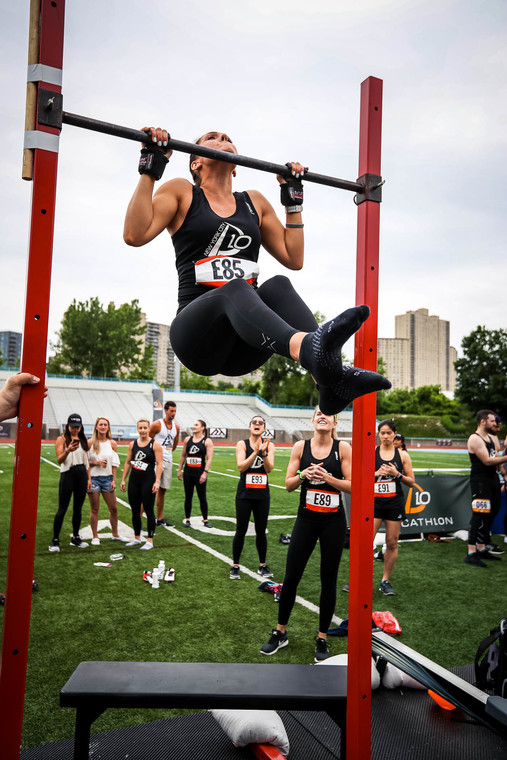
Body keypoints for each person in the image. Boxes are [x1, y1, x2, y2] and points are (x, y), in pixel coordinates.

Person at [123, 129, 391, 417]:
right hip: (198, 338)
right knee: (238, 287)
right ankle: (309, 349)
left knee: (278, 285)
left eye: (228, 138)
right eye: (213, 138)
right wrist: (151, 167)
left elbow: (293, 257)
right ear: (196, 162)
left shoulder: (254, 202)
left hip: (248, 342)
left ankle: (330, 382)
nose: (223, 139)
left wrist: (293, 201)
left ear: (236, 167)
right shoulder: (183, 192)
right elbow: (134, 235)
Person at [260, 407, 351, 662]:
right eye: (318, 414)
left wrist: (328, 478)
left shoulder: (343, 448)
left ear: (334, 422)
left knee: (328, 579)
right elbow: (288, 484)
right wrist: (304, 474)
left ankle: (322, 638)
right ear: (313, 420)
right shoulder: (301, 447)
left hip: (333, 521)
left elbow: (353, 485)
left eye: (328, 414)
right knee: (291, 576)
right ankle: (280, 632)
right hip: (307, 519)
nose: (323, 416)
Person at [230, 415, 275, 580]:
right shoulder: (242, 444)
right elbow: (241, 467)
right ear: (250, 426)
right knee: (241, 530)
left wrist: (263, 453)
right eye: (254, 422)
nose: (257, 424)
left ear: (264, 428)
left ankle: (262, 565)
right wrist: (255, 451)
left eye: (260, 423)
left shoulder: (270, 446)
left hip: (262, 495)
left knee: (261, 531)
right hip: (244, 494)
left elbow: (269, 469)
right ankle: (235, 565)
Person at [373, 420, 414, 595]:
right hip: (373, 503)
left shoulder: (402, 455)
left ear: (395, 434)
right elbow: (358, 477)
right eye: (382, 433)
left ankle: (385, 580)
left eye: (389, 433)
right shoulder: (371, 452)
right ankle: (358, 579)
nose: (385, 436)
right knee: (365, 543)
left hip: (393, 503)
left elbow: (411, 482)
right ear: (378, 434)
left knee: (392, 542)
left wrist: (396, 474)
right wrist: (376, 474)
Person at [466, 410, 507, 567]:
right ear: (483, 422)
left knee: (493, 511)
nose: (495, 423)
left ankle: (482, 548)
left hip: (492, 480)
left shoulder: (490, 437)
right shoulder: (474, 439)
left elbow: (496, 459)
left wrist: (503, 474)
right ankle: (471, 552)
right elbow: (488, 461)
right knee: (479, 515)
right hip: (480, 481)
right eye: (492, 421)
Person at [49, 413, 91, 551]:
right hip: (68, 474)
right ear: (68, 426)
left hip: (81, 474)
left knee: (78, 508)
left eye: (78, 427)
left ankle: (76, 537)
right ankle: (55, 539)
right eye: (73, 427)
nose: (75, 429)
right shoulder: (62, 439)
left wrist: (89, 478)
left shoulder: (83, 439)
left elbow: (87, 463)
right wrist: (68, 450)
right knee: (62, 508)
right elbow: (60, 460)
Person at [120, 418, 163, 550]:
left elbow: (160, 463)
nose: (143, 430)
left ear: (149, 429)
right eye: (140, 428)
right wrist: (123, 479)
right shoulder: (132, 445)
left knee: (149, 510)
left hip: (148, 481)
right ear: (137, 429)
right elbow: (128, 462)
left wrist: (157, 481)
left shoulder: (154, 445)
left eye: (145, 428)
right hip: (134, 480)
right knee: (135, 511)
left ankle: (150, 540)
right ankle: (137, 538)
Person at [87, 417, 128, 545]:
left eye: (105, 424)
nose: (103, 426)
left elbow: (115, 463)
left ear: (108, 427)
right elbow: (84, 462)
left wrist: (114, 480)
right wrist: (96, 463)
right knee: (95, 509)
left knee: (114, 508)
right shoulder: (90, 443)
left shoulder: (112, 443)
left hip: (107, 479)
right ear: (96, 427)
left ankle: (115, 534)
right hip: (93, 479)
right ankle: (95, 536)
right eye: (101, 424)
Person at [177, 419, 214, 528]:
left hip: (200, 473)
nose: (194, 427)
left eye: (196, 425)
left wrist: (205, 473)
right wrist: (180, 469)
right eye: (194, 425)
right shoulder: (188, 439)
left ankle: (206, 520)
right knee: (188, 496)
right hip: (188, 473)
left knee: (202, 497)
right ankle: (187, 519)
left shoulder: (207, 441)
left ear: (202, 427)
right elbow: (183, 455)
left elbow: (209, 458)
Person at [149, 401, 180, 526]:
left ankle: (160, 518)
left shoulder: (176, 427)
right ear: (166, 410)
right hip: (156, 462)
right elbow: (148, 441)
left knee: (162, 490)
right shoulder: (157, 425)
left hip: (168, 460)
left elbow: (175, 444)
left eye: (175, 411)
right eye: (171, 411)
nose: (173, 413)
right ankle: (141, 516)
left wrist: (166, 452)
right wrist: (156, 455)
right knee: (150, 490)